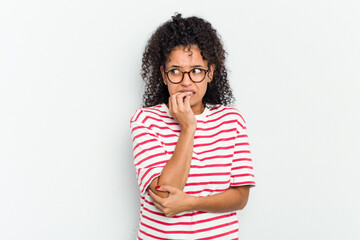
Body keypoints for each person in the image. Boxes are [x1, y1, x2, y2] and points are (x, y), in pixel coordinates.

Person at [130, 13, 255, 240]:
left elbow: (240, 197)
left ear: (211, 73)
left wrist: (191, 203)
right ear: (164, 75)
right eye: (175, 71)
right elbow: (164, 196)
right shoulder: (145, 121)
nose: (186, 81)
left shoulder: (232, 120)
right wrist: (188, 128)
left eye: (196, 70)